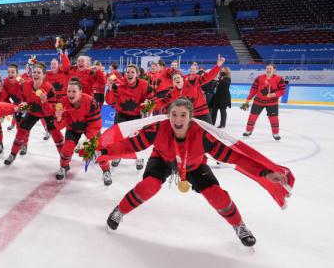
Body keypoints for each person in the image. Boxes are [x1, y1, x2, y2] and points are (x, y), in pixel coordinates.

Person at [98, 98, 293, 247]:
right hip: (163, 160)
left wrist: (265, 172)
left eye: (183, 115)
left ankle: (239, 226)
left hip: (194, 165)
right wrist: (105, 151)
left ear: (190, 117)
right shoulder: (157, 129)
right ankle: (119, 212)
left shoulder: (203, 136)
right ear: (168, 116)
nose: (177, 119)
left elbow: (236, 157)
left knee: (217, 195)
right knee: (148, 186)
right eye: (174, 114)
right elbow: (130, 144)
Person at [4, 63, 65, 166]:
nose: (36, 74)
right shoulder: (25, 85)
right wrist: (23, 107)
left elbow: (51, 111)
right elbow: (25, 101)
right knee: (21, 130)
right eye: (34, 72)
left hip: (47, 112)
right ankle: (12, 155)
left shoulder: (49, 88)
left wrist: (44, 102)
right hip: (32, 111)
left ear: (44, 75)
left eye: (39, 72)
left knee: (56, 133)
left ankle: (64, 160)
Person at [55, 79, 110, 184]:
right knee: (66, 149)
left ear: (80, 91)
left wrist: (89, 142)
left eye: (74, 91)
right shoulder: (62, 103)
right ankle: (64, 167)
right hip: (73, 128)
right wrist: (58, 118)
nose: (70, 94)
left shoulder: (91, 102)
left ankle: (106, 171)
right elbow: (59, 126)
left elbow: (95, 124)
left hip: (90, 127)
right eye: (68, 91)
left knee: (99, 148)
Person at [104, 64, 151, 169]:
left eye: (132, 72)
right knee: (118, 139)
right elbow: (109, 101)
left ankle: (139, 157)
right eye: (127, 72)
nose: (129, 74)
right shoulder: (119, 83)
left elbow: (151, 98)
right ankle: (117, 156)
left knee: (138, 139)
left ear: (137, 74)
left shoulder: (144, 84)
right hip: (121, 115)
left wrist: (148, 107)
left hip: (137, 116)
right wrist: (110, 88)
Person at [153, 55, 224, 123]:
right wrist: (150, 104)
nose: (177, 79)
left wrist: (218, 66)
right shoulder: (174, 92)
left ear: (182, 78)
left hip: (202, 113)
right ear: (173, 82)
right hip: (189, 116)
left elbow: (207, 77)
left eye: (178, 77)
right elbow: (164, 101)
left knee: (209, 133)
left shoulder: (192, 80)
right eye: (174, 79)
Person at [242, 64, 286, 140]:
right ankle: (248, 131)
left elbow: (282, 91)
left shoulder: (279, 79)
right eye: (267, 68)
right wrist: (247, 100)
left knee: (274, 119)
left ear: (274, 70)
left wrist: (274, 94)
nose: (268, 70)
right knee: (252, 117)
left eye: (270, 68)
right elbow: (253, 90)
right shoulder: (259, 78)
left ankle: (275, 133)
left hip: (272, 102)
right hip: (258, 101)